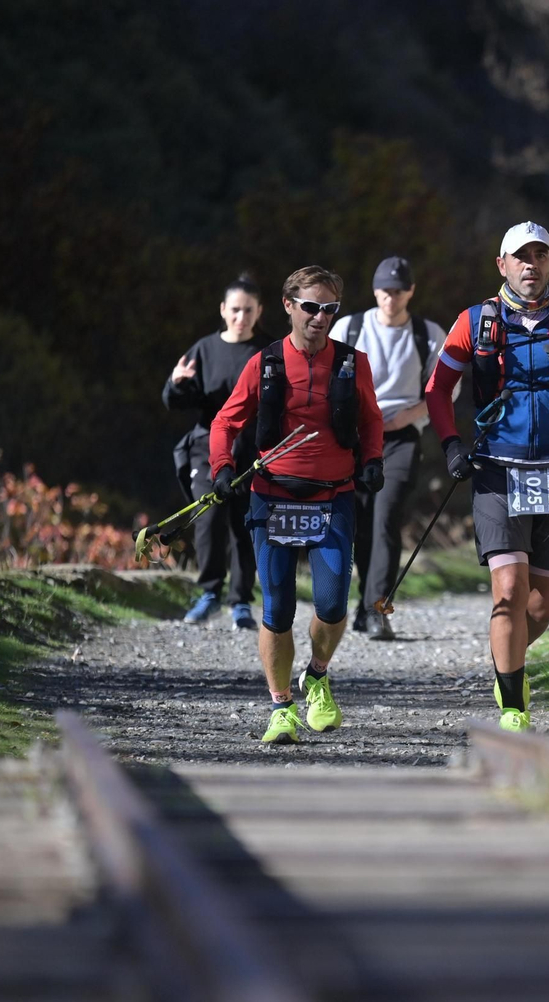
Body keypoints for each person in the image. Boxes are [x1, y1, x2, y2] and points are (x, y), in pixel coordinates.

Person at [424, 222, 549, 732]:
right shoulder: (475, 322)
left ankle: (505, 659)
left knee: (542, 603)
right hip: (497, 470)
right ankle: (513, 705)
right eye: (520, 256)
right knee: (508, 591)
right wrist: (451, 446)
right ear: (502, 265)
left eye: (540, 255)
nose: (530, 264)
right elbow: (437, 390)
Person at [209, 266, 385, 745]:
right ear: (288, 306)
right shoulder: (264, 363)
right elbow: (224, 423)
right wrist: (223, 468)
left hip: (334, 496)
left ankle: (319, 676)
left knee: (331, 604)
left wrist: (372, 461)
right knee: (278, 608)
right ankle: (281, 707)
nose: (321, 317)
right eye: (311, 307)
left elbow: (371, 422)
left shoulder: (353, 363)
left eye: (329, 309)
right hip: (274, 496)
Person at [329, 256, 446, 640]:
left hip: (400, 437)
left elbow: (442, 390)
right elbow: (329, 378)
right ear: (375, 291)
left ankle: (377, 608)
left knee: (386, 519)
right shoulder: (350, 328)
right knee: (359, 522)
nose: (390, 299)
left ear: (410, 291)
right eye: (384, 291)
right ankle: (361, 607)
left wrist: (406, 415)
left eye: (398, 292)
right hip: (356, 437)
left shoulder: (428, 334)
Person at [162, 275, 271, 630]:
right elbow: (177, 399)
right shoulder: (204, 350)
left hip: (252, 451)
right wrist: (176, 384)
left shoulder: (270, 351)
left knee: (246, 525)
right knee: (208, 520)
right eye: (235, 310)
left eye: (248, 310)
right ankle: (209, 593)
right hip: (207, 448)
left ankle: (240, 602)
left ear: (259, 312)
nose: (241, 317)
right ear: (223, 310)